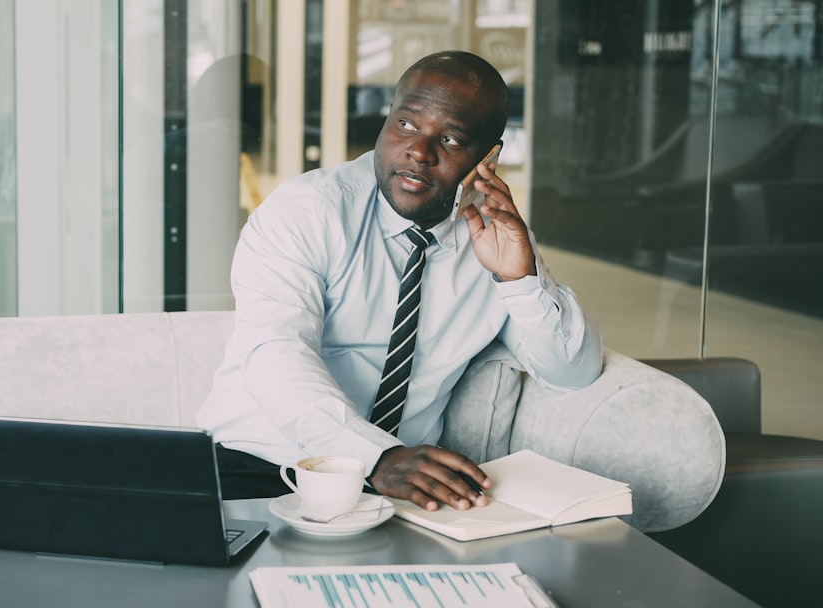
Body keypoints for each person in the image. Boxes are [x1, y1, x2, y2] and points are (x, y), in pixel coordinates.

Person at [196, 50, 603, 513]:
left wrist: (521, 280)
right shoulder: (307, 211)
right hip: (261, 468)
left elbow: (574, 372)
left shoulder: (495, 240)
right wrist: (373, 456)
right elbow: (276, 355)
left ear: (489, 157)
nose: (419, 152)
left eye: (450, 139)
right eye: (406, 125)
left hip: (398, 491)